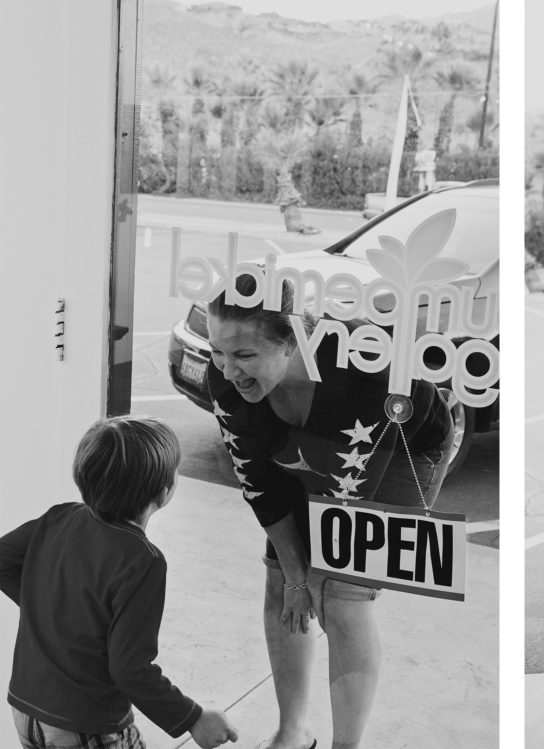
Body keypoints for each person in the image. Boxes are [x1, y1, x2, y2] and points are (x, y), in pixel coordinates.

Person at [206, 273, 455, 749]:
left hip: (403, 445)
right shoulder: (226, 378)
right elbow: (259, 483)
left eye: (243, 354)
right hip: (317, 440)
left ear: (293, 339)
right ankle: (293, 732)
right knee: (282, 584)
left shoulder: (366, 374)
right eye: (218, 351)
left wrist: (314, 578)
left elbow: (346, 507)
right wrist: (295, 577)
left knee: (341, 593)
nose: (228, 370)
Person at [0, 416, 238, 749]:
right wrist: (193, 718)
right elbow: (129, 668)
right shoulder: (143, 561)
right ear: (164, 490)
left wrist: (50, 611)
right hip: (87, 722)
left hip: (26, 711)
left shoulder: (58, 518)